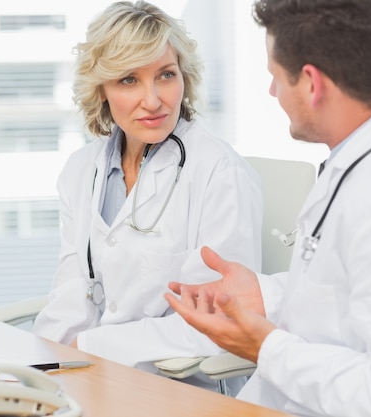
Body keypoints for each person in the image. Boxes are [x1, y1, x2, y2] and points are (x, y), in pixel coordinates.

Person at [32, 1, 262, 391]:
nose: (153, 100)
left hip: (183, 391)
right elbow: (72, 295)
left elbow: (216, 321)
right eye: (128, 80)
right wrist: (39, 366)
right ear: (101, 89)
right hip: (95, 378)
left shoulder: (219, 173)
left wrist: (87, 347)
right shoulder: (81, 171)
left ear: (184, 78)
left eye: (166, 75)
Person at [165, 0, 371, 415]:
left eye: (276, 78)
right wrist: (265, 293)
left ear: (312, 84)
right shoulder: (348, 160)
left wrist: (265, 347)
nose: (272, 92)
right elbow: (338, 295)